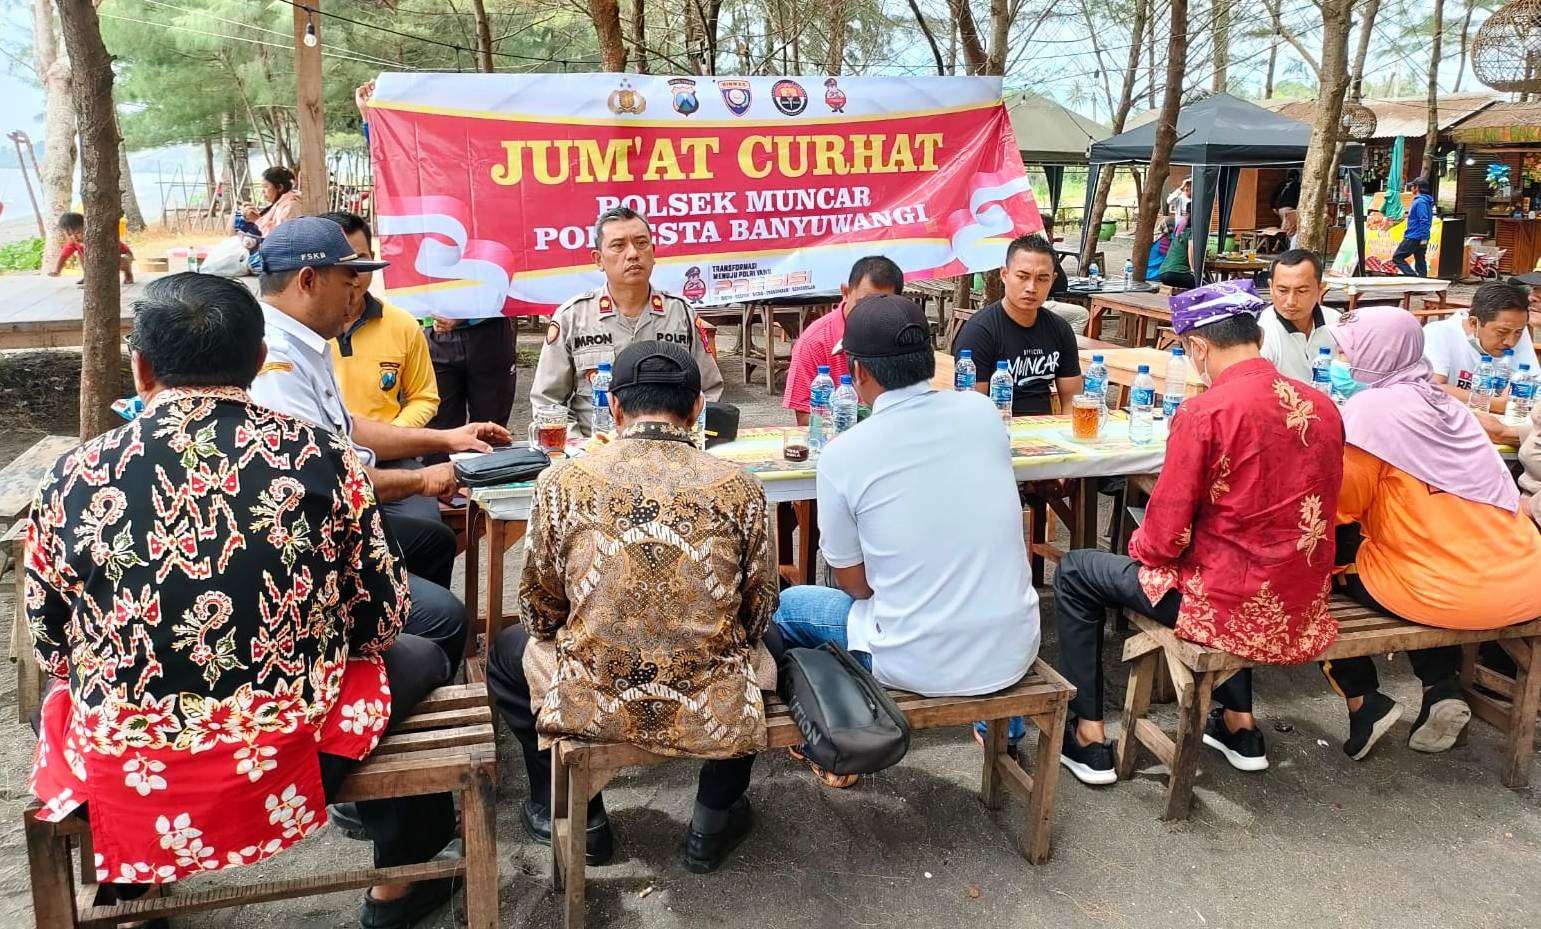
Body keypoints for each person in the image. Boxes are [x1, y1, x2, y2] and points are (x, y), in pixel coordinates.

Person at [25, 273, 461, 927]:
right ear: (259, 361)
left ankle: (138, 886)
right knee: (422, 655)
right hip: (285, 744)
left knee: (66, 705)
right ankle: (399, 883)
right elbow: (380, 618)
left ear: (141, 368)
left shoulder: (74, 475)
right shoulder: (322, 456)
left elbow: (50, 636)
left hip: (132, 751)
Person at [487, 340, 776, 874]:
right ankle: (712, 821)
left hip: (593, 693)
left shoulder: (561, 484)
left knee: (507, 653)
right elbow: (757, 612)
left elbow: (537, 611)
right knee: (767, 649)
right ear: (695, 409)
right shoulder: (741, 487)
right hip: (708, 691)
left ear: (615, 408)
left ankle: (582, 817)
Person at [1053, 281, 1345, 784]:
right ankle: (1238, 724)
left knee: (1078, 570)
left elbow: (1162, 540)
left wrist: (1140, 546)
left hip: (1227, 606)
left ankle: (1088, 736)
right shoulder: (1321, 404)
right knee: (1238, 553)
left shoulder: (1205, 412)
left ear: (1199, 347)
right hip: (1301, 600)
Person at [775, 296, 1039, 787]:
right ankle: (1005, 732)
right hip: (1013, 646)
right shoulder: (983, 413)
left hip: (915, 659)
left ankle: (831, 742)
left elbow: (853, 582)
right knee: (979, 596)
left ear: (858, 373)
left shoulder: (844, 452)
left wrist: (908, 586)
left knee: (789, 609)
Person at [248, 217, 486, 662]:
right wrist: (424, 479)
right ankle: (385, 665)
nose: (357, 294)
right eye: (349, 281)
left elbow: (349, 426)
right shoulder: (276, 362)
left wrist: (448, 439)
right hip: (312, 542)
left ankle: (392, 646)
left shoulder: (308, 343)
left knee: (433, 541)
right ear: (307, 280)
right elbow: (330, 478)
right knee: (448, 618)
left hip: (340, 516)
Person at [1320, 306, 1541, 758]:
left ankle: (1365, 699)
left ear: (1377, 355)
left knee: (1318, 568)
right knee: (1407, 559)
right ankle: (1441, 692)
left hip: (1447, 591)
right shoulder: (1448, 405)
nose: (1342, 359)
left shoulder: (1369, 413)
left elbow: (1338, 508)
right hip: (1525, 577)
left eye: (1349, 350)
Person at [531, 207, 723, 436]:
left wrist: (693, 441)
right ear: (598, 259)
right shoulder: (573, 318)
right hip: (595, 454)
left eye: (641, 243)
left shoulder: (681, 314)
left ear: (653, 252)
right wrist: (579, 450)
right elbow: (547, 401)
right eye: (618, 245)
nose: (633, 253)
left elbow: (709, 392)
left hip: (670, 451)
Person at [322, 211, 441, 430]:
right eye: (340, 264)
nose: (353, 275)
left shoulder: (403, 325)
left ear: (372, 257)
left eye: (360, 260)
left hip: (388, 454)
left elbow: (424, 398)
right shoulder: (298, 332)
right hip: (320, 453)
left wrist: (391, 435)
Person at [952, 234, 1083, 415]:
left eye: (1042, 279)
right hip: (998, 433)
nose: (1031, 287)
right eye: (1023, 276)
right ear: (1004, 274)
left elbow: (1072, 401)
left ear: (1052, 280)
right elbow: (972, 410)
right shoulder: (979, 333)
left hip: (1046, 434)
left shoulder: (1060, 329)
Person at [782, 256, 903, 425]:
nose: (871, 312)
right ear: (845, 292)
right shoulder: (814, 342)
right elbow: (805, 419)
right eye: (864, 302)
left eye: (882, 305)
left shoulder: (904, 337)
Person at [1422, 281, 1538, 412]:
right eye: (1501, 332)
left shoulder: (1514, 328)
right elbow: (1431, 387)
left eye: (1518, 332)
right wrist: (1495, 403)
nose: (1510, 342)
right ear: (1473, 323)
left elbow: (1534, 384)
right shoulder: (1439, 333)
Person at [1258, 249, 1340, 381]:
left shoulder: (1337, 324)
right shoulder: (1263, 332)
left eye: (1301, 291)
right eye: (1282, 290)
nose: (1291, 301)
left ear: (1320, 289)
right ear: (1270, 287)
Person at [47, 211, 134, 284]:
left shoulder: (98, 238)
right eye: (70, 234)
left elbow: (118, 250)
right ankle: (88, 277)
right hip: (97, 259)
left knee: (119, 260)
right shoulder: (73, 243)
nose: (74, 237)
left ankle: (128, 273)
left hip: (121, 255)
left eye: (78, 232)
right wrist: (57, 271)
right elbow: (64, 256)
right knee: (80, 255)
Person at [234, 166, 304, 240]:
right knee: (237, 216)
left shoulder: (290, 207)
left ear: (280, 187)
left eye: (266, 186)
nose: (262, 191)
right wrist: (255, 215)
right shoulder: (278, 203)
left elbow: (279, 238)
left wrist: (257, 219)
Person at [1391, 178, 1434, 278]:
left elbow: (1423, 220)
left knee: (1397, 257)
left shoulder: (1420, 202)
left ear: (1417, 187)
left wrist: (1423, 237)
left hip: (1414, 236)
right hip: (1420, 236)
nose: (1411, 188)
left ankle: (1413, 278)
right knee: (1420, 260)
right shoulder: (1424, 201)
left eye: (1413, 186)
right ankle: (1422, 285)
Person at [1157, 221, 1196, 290]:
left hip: (1162, 272)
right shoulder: (1191, 233)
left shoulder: (1178, 234)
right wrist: (1192, 269)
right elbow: (1191, 251)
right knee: (1205, 285)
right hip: (1176, 273)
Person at [1272, 168, 1301, 241]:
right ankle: (1291, 245)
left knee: (1285, 227)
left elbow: (1273, 195)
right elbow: (1299, 197)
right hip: (1290, 209)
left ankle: (1279, 245)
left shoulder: (1281, 184)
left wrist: (1273, 207)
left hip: (1280, 209)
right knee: (1292, 228)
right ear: (1296, 177)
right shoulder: (1297, 185)